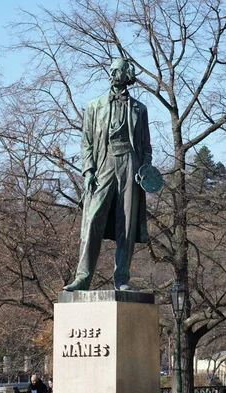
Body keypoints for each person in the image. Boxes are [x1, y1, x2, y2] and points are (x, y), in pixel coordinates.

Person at [63, 58, 153, 291]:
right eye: (111, 70)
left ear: (126, 75)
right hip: (104, 164)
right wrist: (88, 170)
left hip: (130, 166)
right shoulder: (94, 106)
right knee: (93, 220)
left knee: (126, 224)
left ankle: (122, 279)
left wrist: (145, 172)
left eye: (117, 70)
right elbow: (87, 142)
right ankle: (82, 277)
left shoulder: (139, 109)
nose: (112, 73)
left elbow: (146, 147)